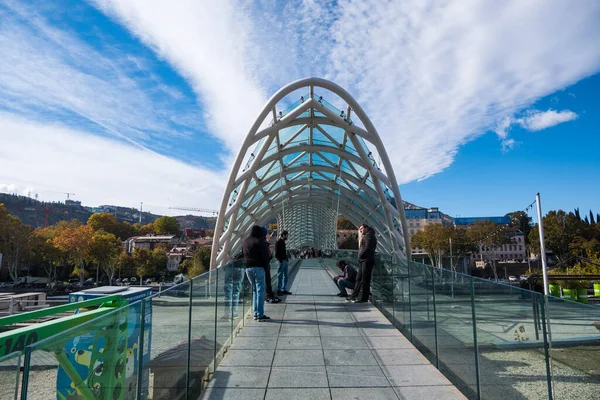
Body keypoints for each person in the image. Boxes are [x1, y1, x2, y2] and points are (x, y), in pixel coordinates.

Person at [243, 225, 271, 321]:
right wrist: (265, 267)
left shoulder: (246, 241)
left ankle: (255, 313)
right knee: (260, 291)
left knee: (255, 290)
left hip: (248, 269)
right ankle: (260, 314)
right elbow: (266, 256)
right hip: (258, 268)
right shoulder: (259, 242)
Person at [347, 224, 377, 303]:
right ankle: (353, 296)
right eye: (359, 229)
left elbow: (368, 248)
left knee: (365, 280)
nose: (360, 230)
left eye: (361, 229)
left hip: (366, 260)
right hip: (364, 260)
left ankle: (364, 298)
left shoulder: (369, 236)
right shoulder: (368, 235)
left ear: (366, 228)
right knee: (359, 279)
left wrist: (360, 255)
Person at [263, 228, 282, 304]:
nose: (269, 235)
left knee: (267, 282)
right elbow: (268, 256)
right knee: (266, 282)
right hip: (264, 266)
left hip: (263, 266)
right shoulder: (263, 243)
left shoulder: (263, 243)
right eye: (267, 234)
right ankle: (269, 297)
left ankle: (270, 296)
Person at [276, 230, 292, 296]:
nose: (287, 236)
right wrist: (280, 260)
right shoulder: (278, 242)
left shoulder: (283, 242)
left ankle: (283, 289)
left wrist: (286, 260)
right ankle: (279, 290)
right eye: (287, 235)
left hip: (285, 261)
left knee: (286, 276)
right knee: (280, 276)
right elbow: (276, 253)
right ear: (283, 235)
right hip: (281, 261)